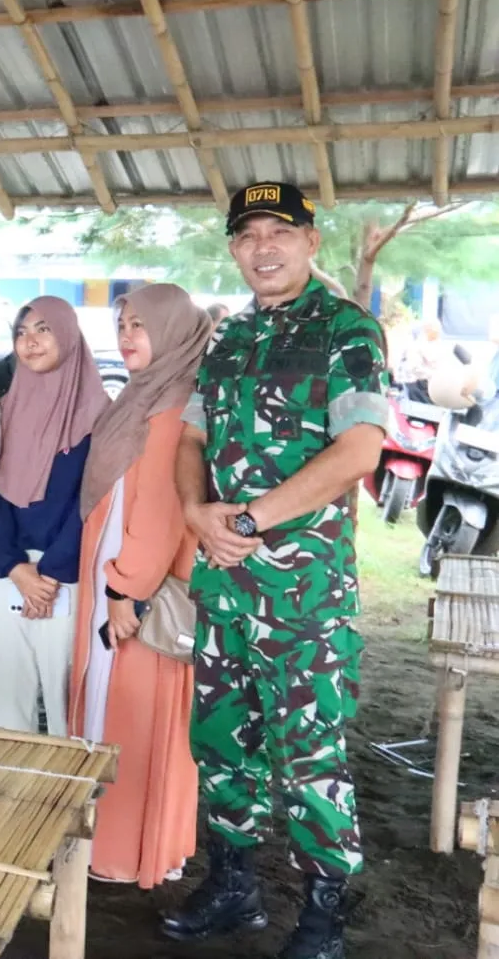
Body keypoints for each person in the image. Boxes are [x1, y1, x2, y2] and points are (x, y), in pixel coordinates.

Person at [163, 183, 388, 959]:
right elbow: (188, 442)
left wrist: (251, 519)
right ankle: (233, 886)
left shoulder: (346, 330)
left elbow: (358, 451)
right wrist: (196, 515)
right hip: (224, 583)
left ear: (310, 241)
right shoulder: (227, 339)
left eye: (279, 232)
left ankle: (323, 910)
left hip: (301, 593)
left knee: (306, 752)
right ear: (232, 247)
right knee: (221, 741)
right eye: (248, 234)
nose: (264, 247)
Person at [67, 284, 212, 889]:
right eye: (122, 323)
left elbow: (159, 512)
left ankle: (126, 850)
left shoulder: (172, 408)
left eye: (141, 326)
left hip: (138, 596)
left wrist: (126, 592)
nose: (127, 335)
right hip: (116, 584)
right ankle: (120, 842)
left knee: (132, 720)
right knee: (117, 714)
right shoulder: (141, 398)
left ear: (174, 332)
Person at [0, 297, 108, 737]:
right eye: (21, 331)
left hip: (65, 574)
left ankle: (61, 796)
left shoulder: (97, 415)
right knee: (6, 688)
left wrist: (49, 575)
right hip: (11, 570)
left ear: (68, 335)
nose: (29, 342)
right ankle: (7, 789)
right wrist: (14, 568)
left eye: (43, 329)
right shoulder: (5, 407)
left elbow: (93, 501)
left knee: (63, 689)